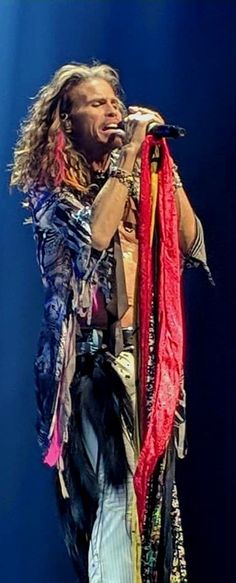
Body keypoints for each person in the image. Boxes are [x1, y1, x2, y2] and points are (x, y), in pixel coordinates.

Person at [10, 62, 210, 583]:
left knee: (155, 511)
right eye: (96, 104)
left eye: (115, 103)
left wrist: (163, 163)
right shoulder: (51, 194)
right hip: (90, 373)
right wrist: (127, 159)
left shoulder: (137, 179)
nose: (113, 111)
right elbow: (95, 238)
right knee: (117, 501)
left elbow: (190, 243)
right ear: (67, 121)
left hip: (144, 363)